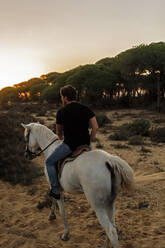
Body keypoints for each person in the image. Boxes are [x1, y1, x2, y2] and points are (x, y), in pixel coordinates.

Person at [46, 85, 98, 199]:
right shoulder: (86, 108)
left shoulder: (61, 112)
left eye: (62, 97)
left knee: (49, 162)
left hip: (70, 146)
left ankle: (55, 190)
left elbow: (59, 132)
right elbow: (95, 127)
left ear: (65, 98)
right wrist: (89, 139)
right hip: (86, 145)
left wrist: (61, 138)